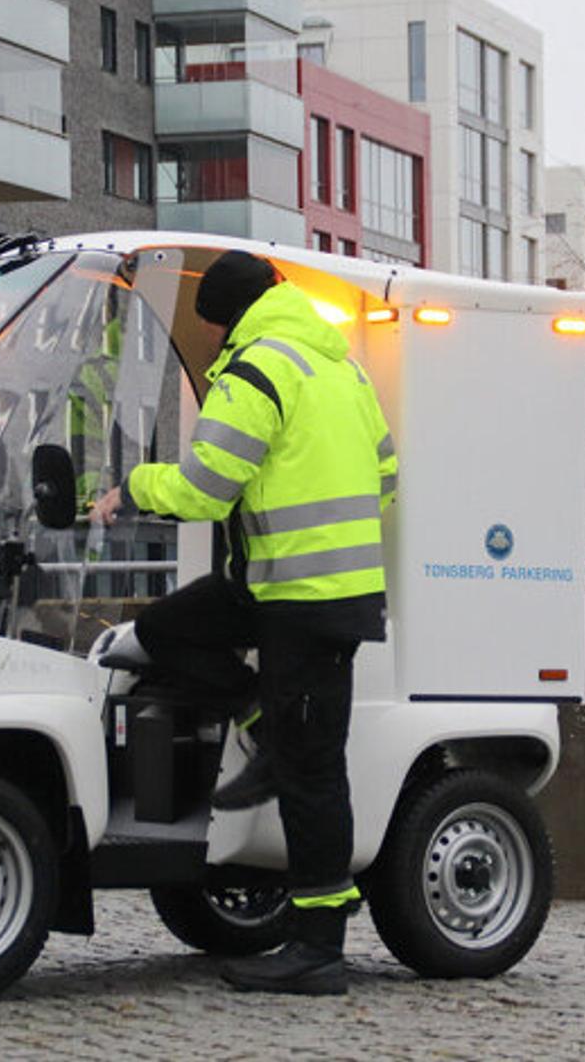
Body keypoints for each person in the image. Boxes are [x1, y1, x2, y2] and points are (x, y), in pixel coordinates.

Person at [89, 249, 397, 996]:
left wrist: (128, 489)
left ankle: (319, 946)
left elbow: (205, 488)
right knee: (163, 632)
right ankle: (255, 709)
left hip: (306, 599)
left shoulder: (255, 370)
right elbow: (387, 475)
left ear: (219, 320)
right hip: (297, 588)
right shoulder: (339, 366)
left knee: (311, 770)